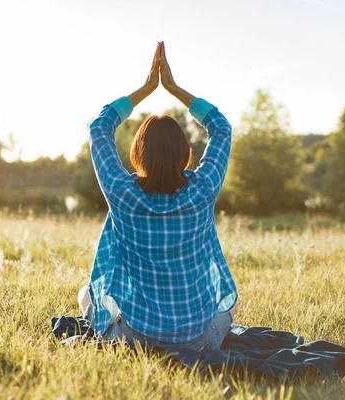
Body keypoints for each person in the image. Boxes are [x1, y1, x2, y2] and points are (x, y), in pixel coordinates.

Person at [79, 41, 237, 351]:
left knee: (86, 294)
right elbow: (221, 128)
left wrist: (146, 88)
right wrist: (174, 88)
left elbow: (99, 127)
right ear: (184, 153)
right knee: (227, 306)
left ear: (139, 153)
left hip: (138, 340)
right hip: (196, 341)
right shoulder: (202, 191)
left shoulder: (122, 194)